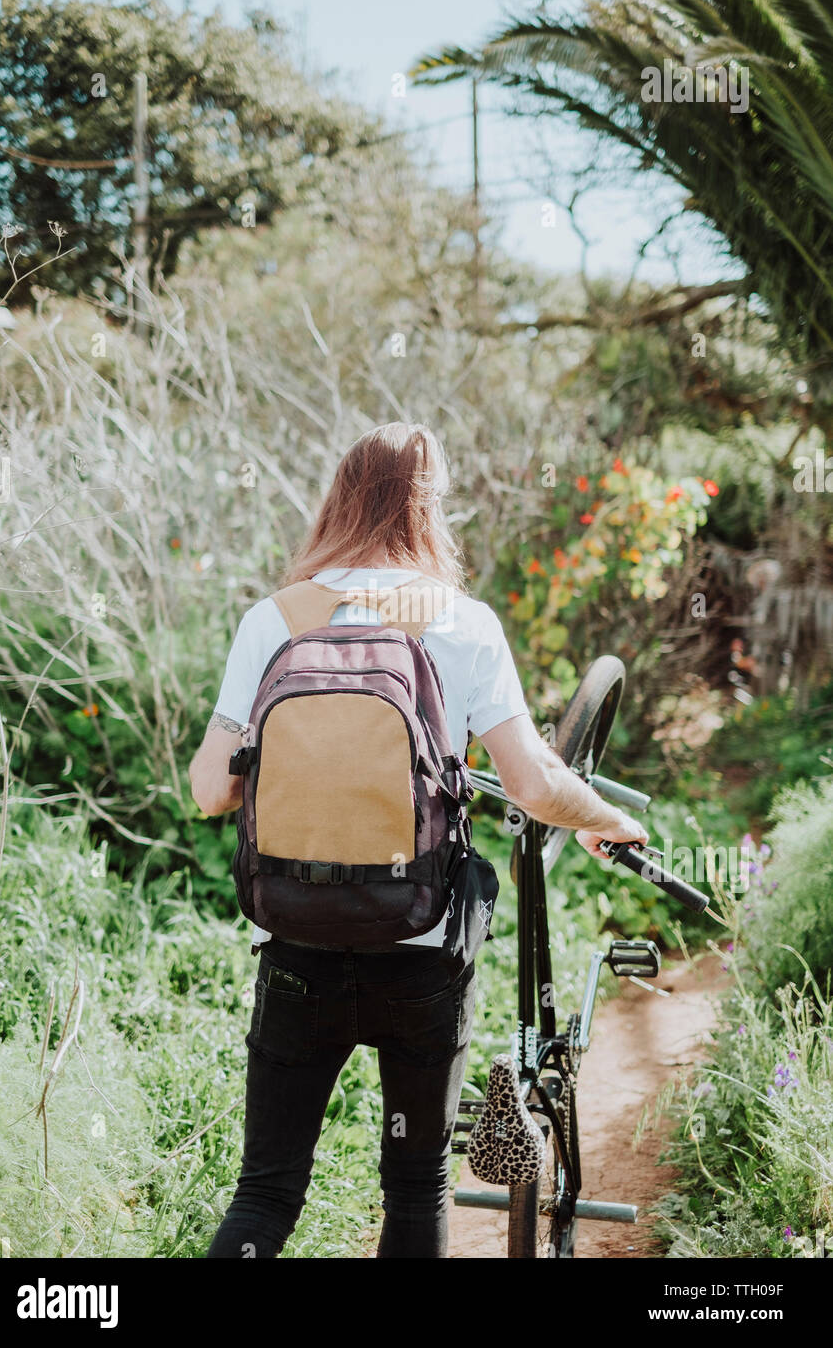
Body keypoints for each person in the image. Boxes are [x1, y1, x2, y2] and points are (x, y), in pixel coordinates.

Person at [188, 422, 647, 1259]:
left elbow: (210, 789)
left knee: (264, 1193)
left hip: (297, 945)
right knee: (415, 1188)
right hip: (420, 949)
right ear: (429, 507)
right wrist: (608, 819)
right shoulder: (462, 624)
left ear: (338, 497)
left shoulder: (275, 619)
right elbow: (536, 784)